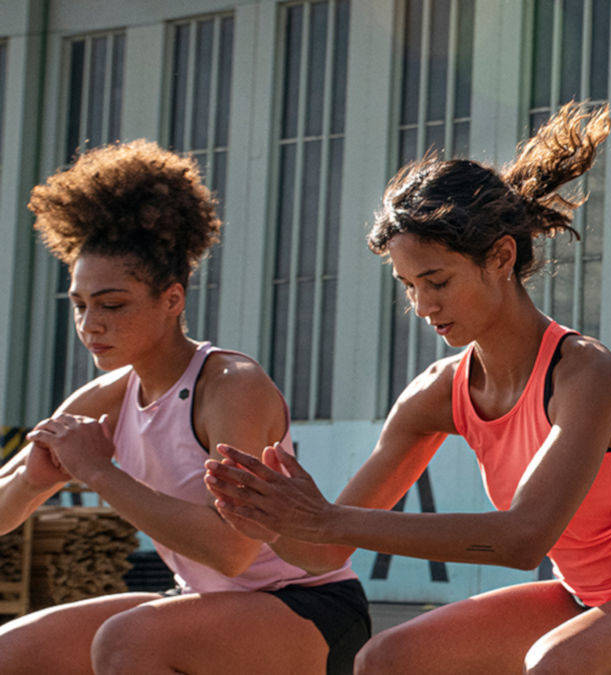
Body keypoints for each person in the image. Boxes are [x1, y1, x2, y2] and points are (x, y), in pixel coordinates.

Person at [203, 103, 611, 674]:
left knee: (557, 667)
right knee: (386, 660)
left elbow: (523, 538)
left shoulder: (583, 371)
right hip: (592, 593)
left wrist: (326, 518)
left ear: (501, 256)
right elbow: (322, 551)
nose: (424, 307)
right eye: (408, 287)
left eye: (438, 281)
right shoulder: (436, 395)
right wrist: (274, 522)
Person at [0, 140, 370, 675]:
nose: (90, 325)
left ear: (172, 300)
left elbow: (231, 551)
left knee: (129, 641)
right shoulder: (106, 397)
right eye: (79, 305)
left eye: (113, 305)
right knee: (12, 650)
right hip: (202, 602)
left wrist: (99, 472)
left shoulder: (230, 386)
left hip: (308, 609)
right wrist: (33, 481)